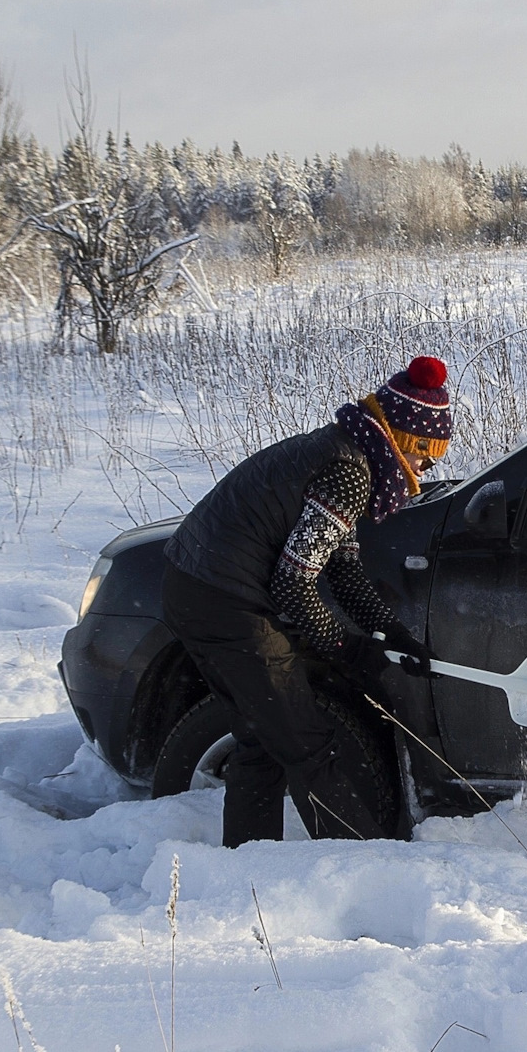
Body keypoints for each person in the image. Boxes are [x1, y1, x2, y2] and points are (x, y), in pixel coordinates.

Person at [160, 356, 451, 845]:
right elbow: (294, 584)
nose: (427, 469)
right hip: (227, 602)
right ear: (405, 440)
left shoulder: (347, 451)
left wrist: (390, 631)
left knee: (261, 740)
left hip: (191, 587)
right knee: (307, 747)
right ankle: (356, 872)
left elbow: (341, 567)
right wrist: (347, 649)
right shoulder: (348, 473)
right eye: (428, 456)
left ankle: (249, 866)